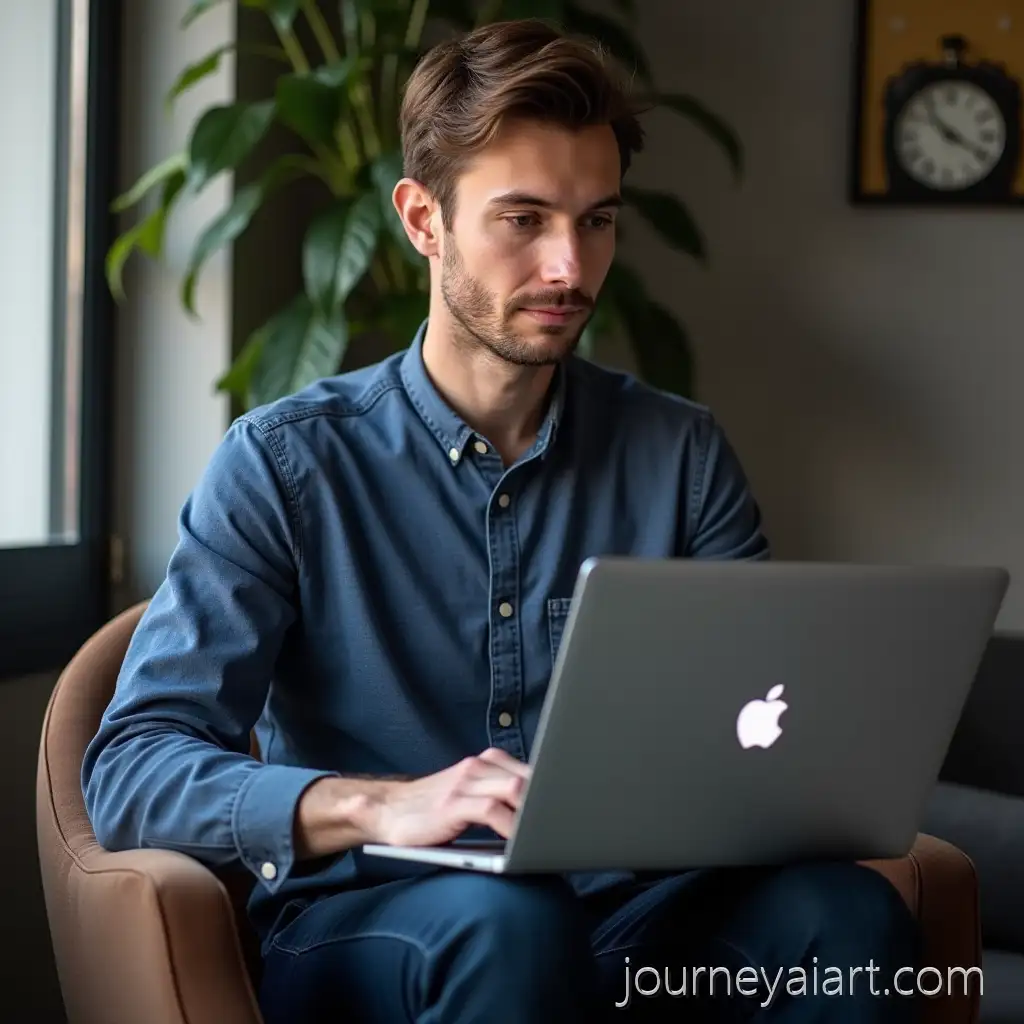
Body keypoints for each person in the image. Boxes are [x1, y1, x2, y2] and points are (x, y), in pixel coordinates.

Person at [83, 18, 919, 1023]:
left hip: (633, 915)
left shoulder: (681, 454)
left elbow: (763, 729)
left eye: (597, 220)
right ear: (421, 219)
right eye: (522, 220)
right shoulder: (283, 461)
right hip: (379, 921)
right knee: (511, 923)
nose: (570, 268)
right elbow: (132, 768)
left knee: (850, 916)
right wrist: (381, 801)